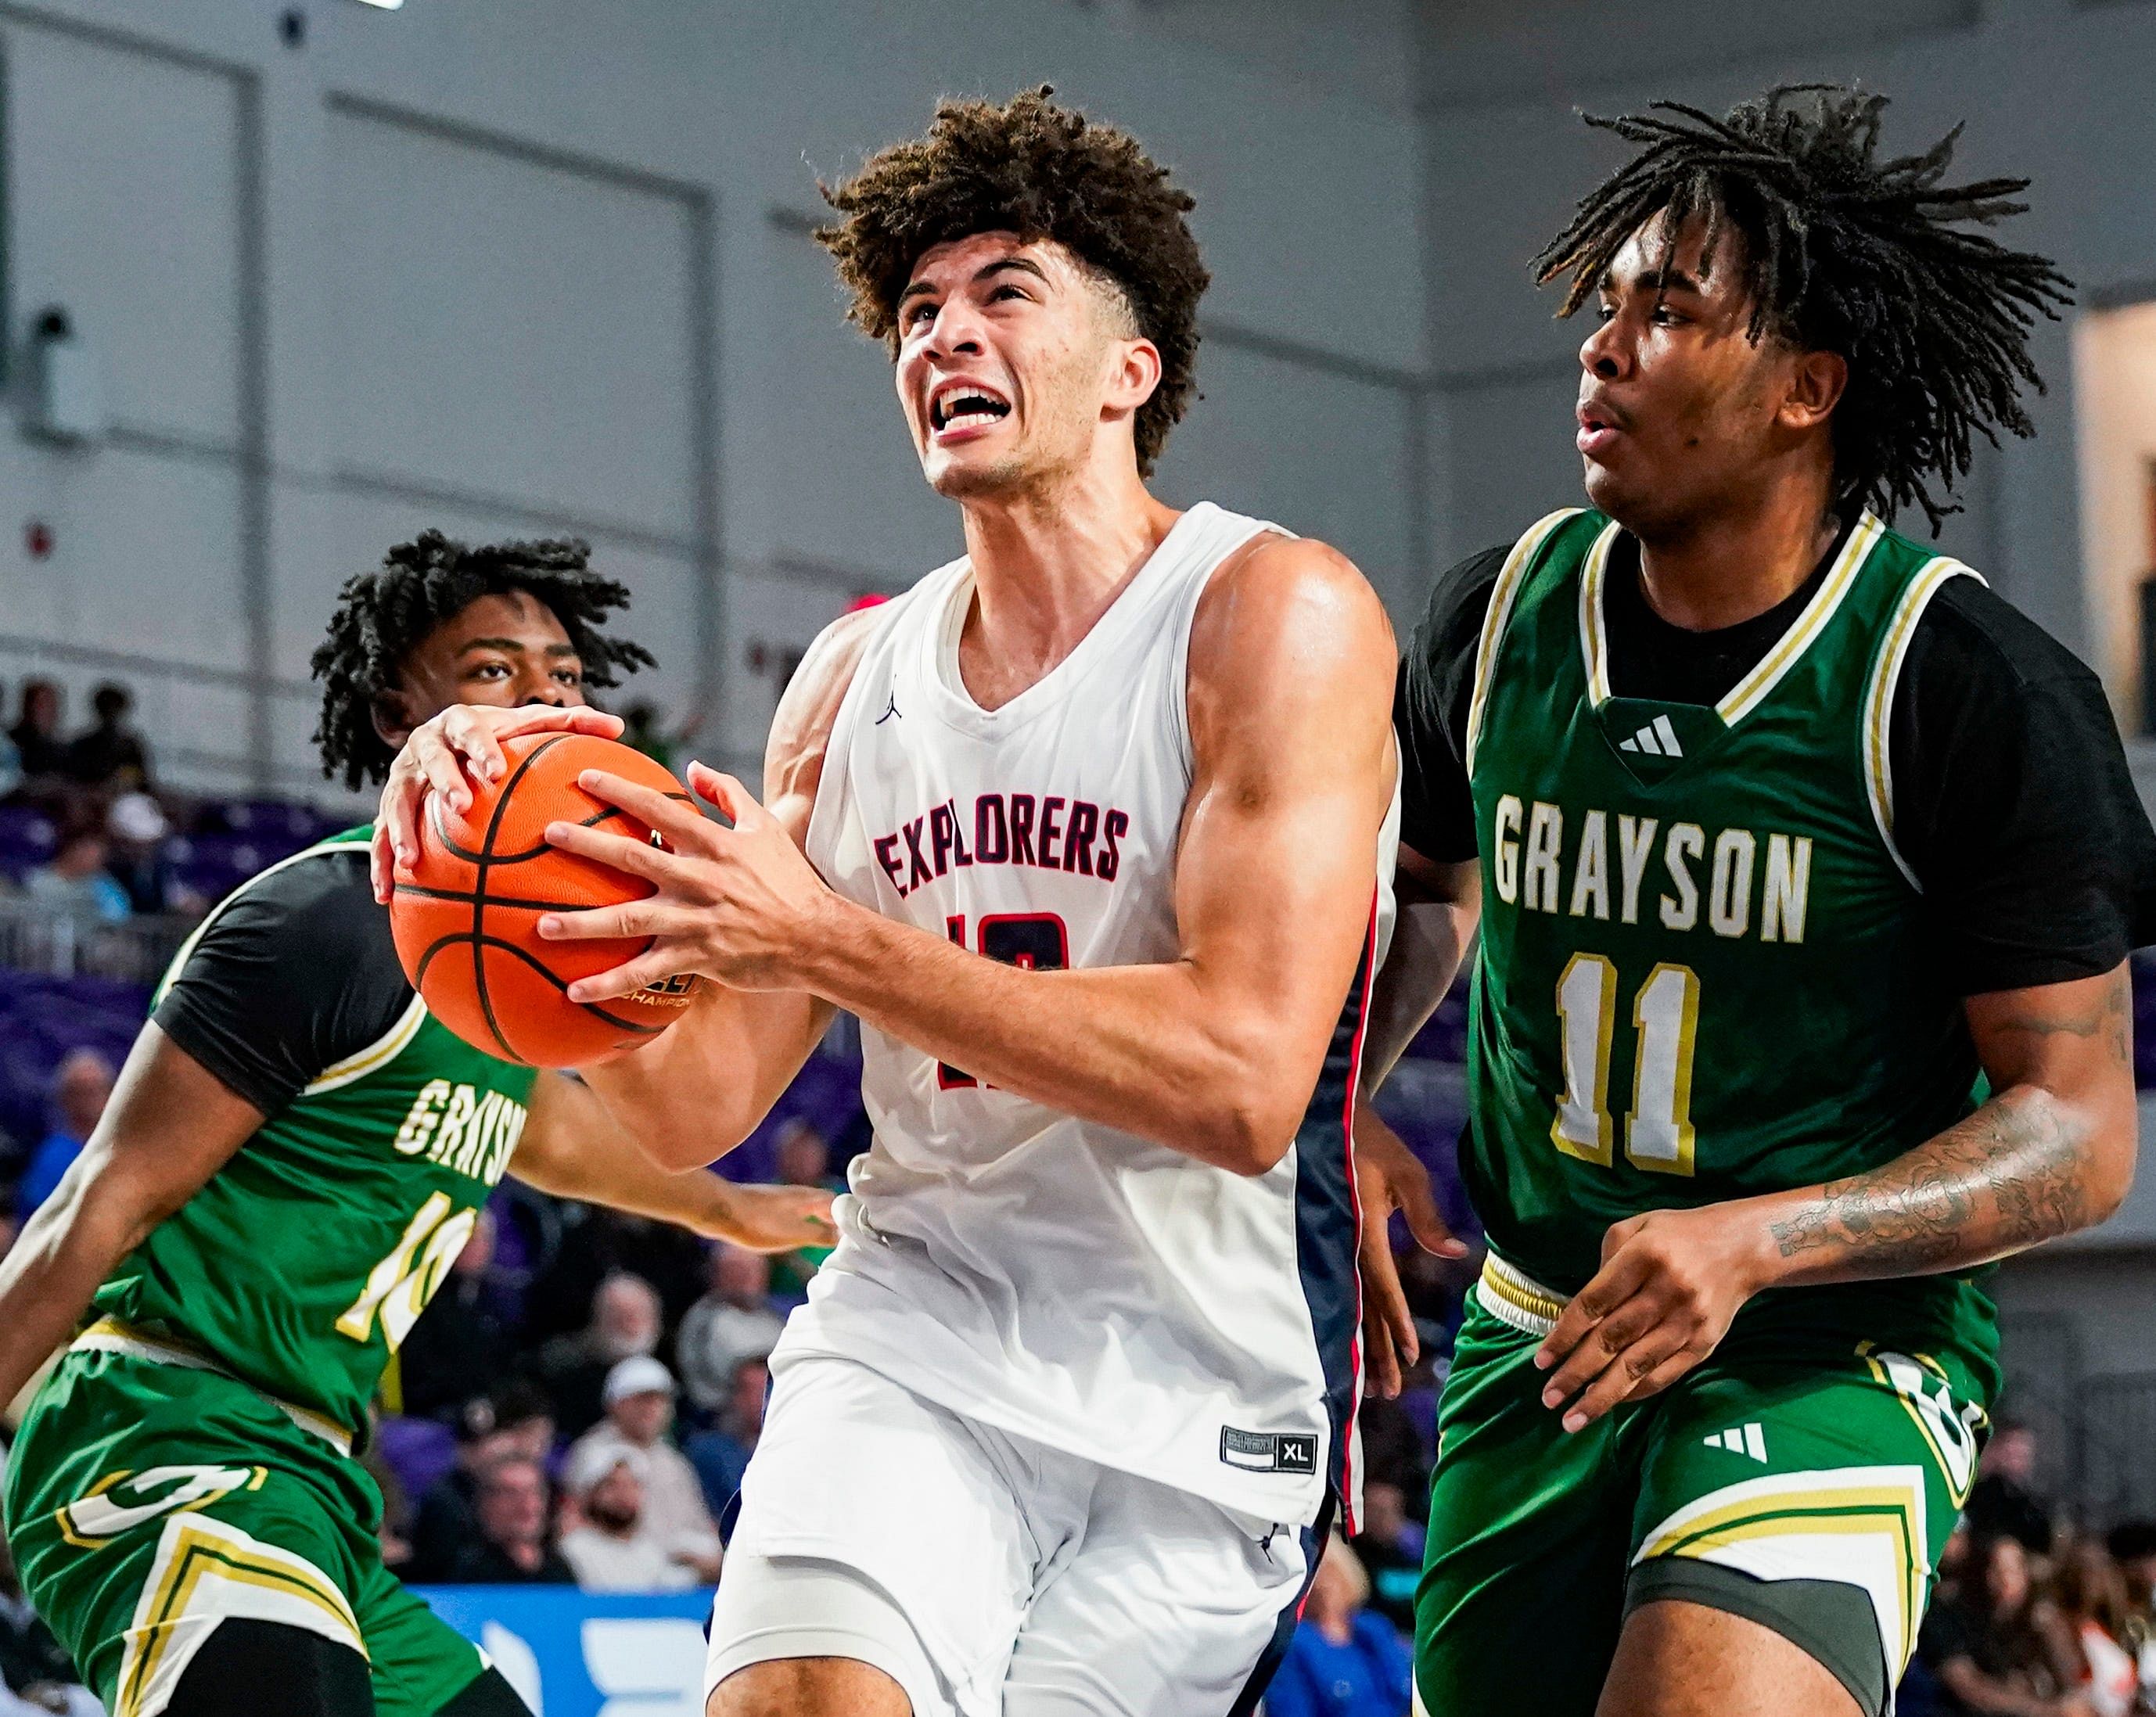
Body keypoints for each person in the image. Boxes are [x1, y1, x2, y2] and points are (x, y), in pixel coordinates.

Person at [379, 88, 1413, 1717]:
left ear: (1130, 367)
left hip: (1196, 1389)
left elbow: (1237, 1076)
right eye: (917, 310)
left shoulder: (1269, 612)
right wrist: (501, 920)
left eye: (1005, 293)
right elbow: (698, 1102)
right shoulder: (851, 679)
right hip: (918, 1324)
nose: (945, 336)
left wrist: (823, 935)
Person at [1359, 85, 2152, 1717]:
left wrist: (1761, 1236)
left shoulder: (1961, 686)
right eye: (1605, 308)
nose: (1603, 346)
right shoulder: (1492, 619)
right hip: (1545, 1328)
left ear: (1806, 388)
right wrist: (1339, 1092)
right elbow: (1425, 895)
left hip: (1830, 1343)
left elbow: (2079, 1126)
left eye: (1669, 311)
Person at [0, 533, 837, 1717]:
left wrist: (724, 1204)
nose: (542, 696)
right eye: (494, 670)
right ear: (407, 708)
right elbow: (100, 1203)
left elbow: (529, 1121)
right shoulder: (320, 920)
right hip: (161, 1431)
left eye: (562, 673)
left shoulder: (508, 985)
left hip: (314, 1479)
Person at [563, 1356, 722, 1584]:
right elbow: (580, 1518)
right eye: (641, 1400)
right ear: (616, 1403)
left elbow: (697, 1524)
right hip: (613, 1559)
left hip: (668, 1561)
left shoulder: (673, 1461)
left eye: (659, 1401)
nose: (651, 1409)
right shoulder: (592, 1451)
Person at [1917, 1534, 2090, 1716]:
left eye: (2013, 1570)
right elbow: (1969, 1688)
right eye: (1996, 1570)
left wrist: (2052, 1629)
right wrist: (2046, 1711)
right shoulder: (1947, 1615)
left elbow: (2073, 1680)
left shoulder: (2033, 1618)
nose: (2005, 1580)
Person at [404, 1384, 557, 1586]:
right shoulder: (444, 1499)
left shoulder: (531, 1479)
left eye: (494, 1439)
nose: (487, 1450)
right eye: (474, 1444)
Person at [1261, 1534, 1414, 1717]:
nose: (1323, 1584)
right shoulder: (1293, 1645)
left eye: (1330, 1572)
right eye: (1313, 1575)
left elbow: (1404, 1694)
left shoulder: (1373, 1629)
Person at [394, 1205, 516, 1423]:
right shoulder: (424, 1298)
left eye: (481, 1240)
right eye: (467, 1240)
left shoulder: (492, 1302)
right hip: (427, 1415)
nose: (474, 1248)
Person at [557, 1442, 704, 1593]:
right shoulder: (575, 1549)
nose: (624, 1495)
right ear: (591, 1493)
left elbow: (672, 1589)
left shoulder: (648, 1549)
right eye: (612, 1485)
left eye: (632, 1485)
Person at [537, 1270, 664, 1437]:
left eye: (638, 1314)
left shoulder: (665, 1373)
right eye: (620, 1315)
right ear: (600, 1318)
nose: (630, 1325)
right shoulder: (571, 1378)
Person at [674, 1245, 783, 1417]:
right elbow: (700, 1381)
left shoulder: (775, 1317)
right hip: (721, 1416)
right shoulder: (703, 1319)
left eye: (753, 1270)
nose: (746, 1278)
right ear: (717, 1276)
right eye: (737, 1270)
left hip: (779, 1407)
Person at [13, 1051, 113, 1223]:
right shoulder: (51, 1157)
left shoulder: (123, 1148)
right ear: (65, 1099)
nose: (87, 1102)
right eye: (79, 1092)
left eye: (94, 1091)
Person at [440, 1457, 570, 1586]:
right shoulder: (471, 1573)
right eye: (511, 1493)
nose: (527, 1505)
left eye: (534, 1491)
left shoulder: (559, 1570)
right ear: (486, 1503)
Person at [685, 1355, 771, 1520]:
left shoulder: (800, 1451)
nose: (759, 1400)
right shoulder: (708, 1452)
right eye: (750, 1390)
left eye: (765, 1390)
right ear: (735, 1397)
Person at [1967, 1419, 2057, 1554]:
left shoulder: (2036, 1503)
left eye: (2023, 1446)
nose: (2017, 1453)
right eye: (2011, 1445)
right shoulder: (1979, 1495)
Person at [23, 828, 128, 926]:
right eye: (92, 856)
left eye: (100, 858)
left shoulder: (102, 884)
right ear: (75, 851)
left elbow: (118, 915)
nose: (97, 863)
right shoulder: (39, 880)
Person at [63, 683, 151, 791]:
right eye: (108, 708)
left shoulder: (129, 745)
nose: (112, 714)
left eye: (115, 708)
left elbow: (141, 779)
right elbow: (76, 777)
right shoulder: (85, 743)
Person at [8, 681, 66, 783]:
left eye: (52, 704)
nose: (50, 710)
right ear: (27, 706)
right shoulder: (11, 743)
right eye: (41, 704)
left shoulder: (58, 748)